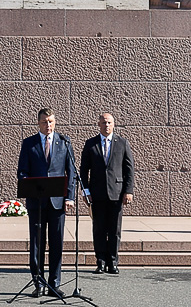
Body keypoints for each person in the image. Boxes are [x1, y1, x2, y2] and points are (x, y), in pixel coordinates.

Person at [17, 108, 77, 297]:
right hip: (37, 202)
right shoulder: (29, 143)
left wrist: (70, 197)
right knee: (37, 244)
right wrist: (30, 186)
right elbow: (22, 171)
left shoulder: (64, 142)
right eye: (44, 122)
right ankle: (38, 283)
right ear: (38, 123)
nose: (48, 125)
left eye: (51, 121)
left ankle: (54, 283)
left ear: (55, 121)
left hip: (58, 202)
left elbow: (72, 172)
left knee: (56, 243)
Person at [80, 112, 134, 275]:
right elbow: (83, 170)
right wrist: (86, 191)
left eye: (109, 122)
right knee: (99, 229)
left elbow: (129, 169)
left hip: (116, 194)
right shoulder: (90, 144)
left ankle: (113, 262)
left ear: (114, 124)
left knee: (114, 230)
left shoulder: (122, 143)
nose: (106, 125)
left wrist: (128, 191)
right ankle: (100, 262)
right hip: (97, 194)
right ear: (98, 125)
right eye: (103, 123)